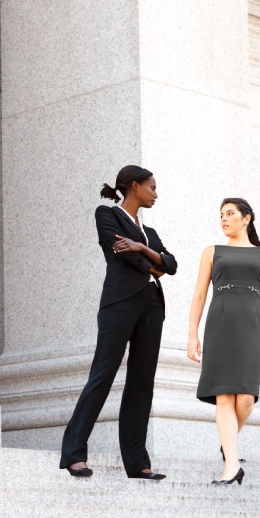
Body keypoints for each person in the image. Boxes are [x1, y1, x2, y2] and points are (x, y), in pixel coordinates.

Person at [60, 165, 178, 479]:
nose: (156, 193)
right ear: (135, 186)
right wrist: (153, 261)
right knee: (103, 373)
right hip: (120, 303)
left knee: (142, 383)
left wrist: (141, 247)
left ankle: (138, 463)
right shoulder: (106, 214)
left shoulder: (148, 233)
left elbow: (173, 264)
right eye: (151, 187)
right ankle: (74, 453)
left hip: (152, 305)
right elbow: (121, 252)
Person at [187, 198, 260, 485]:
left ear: (247, 218)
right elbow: (200, 295)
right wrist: (192, 334)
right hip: (220, 322)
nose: (224, 219)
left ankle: (229, 445)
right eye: (221, 215)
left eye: (230, 214)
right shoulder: (211, 252)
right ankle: (232, 464)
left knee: (246, 398)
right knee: (224, 395)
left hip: (251, 324)